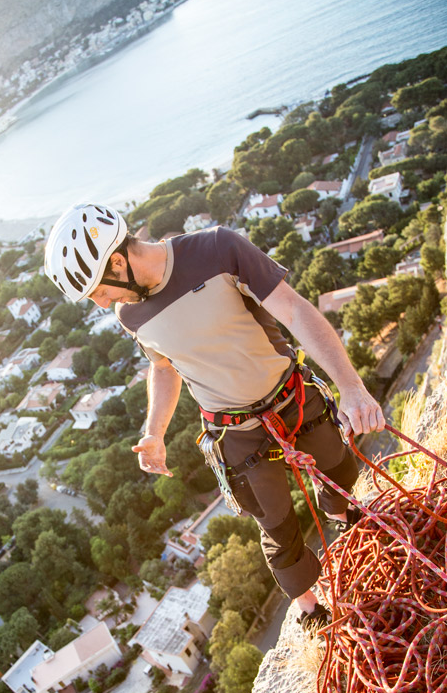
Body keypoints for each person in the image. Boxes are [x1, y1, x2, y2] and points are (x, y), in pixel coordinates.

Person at [44, 204, 385, 629]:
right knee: (276, 526)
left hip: (290, 396)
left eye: (98, 290)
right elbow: (163, 366)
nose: (100, 303)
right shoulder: (130, 314)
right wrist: (155, 432)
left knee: (338, 472)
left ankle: (348, 525)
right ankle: (312, 612)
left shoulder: (217, 249)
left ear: (118, 261)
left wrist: (351, 387)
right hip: (234, 431)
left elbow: (295, 311)